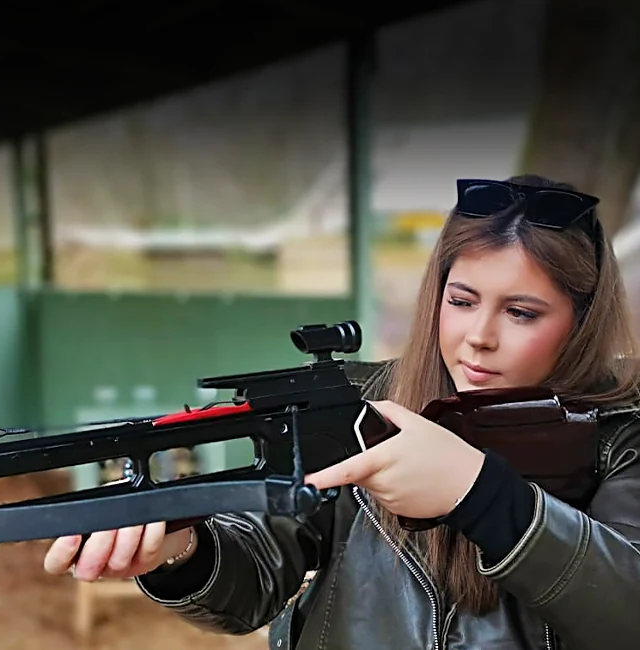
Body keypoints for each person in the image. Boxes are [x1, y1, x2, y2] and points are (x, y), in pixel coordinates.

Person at [43, 174, 640, 649]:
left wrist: (482, 495)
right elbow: (263, 568)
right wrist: (182, 550)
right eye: (460, 301)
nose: (478, 336)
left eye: (521, 313)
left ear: (581, 324)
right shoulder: (368, 402)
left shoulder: (620, 437)